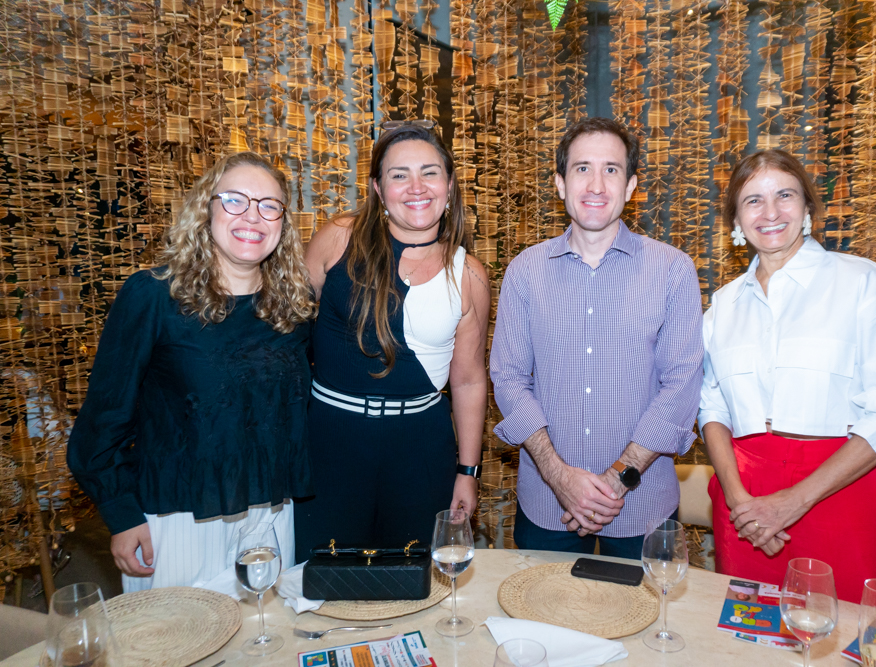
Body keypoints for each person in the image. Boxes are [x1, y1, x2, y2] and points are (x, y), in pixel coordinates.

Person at [700, 149, 876, 610]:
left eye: (784, 195)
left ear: (808, 208)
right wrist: (737, 498)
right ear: (735, 220)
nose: (770, 213)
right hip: (745, 507)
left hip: (842, 497)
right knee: (749, 645)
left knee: (855, 640)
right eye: (753, 201)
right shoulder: (722, 307)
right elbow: (712, 408)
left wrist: (794, 500)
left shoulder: (864, 284)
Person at [68, 152, 316, 591]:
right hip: (179, 518)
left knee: (265, 647)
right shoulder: (153, 296)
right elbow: (103, 418)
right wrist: (121, 513)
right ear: (206, 208)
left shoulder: (292, 308)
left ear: (283, 222)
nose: (253, 216)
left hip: (271, 516)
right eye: (235, 200)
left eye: (268, 205)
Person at [489, 117, 704, 559]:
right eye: (582, 168)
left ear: (630, 187)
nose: (596, 184)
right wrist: (558, 476)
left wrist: (614, 481)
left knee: (645, 625)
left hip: (643, 505)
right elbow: (508, 377)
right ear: (560, 184)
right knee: (544, 626)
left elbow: (682, 386)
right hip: (548, 504)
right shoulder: (525, 272)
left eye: (612, 169)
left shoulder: (672, 270)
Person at [293, 123, 490, 562]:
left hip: (420, 451)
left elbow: (470, 381)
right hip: (330, 442)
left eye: (430, 172)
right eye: (399, 175)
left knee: (413, 583)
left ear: (450, 184)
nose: (416, 187)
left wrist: (467, 472)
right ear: (378, 188)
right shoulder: (338, 239)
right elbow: (286, 334)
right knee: (322, 584)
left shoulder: (470, 274)